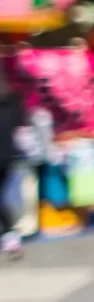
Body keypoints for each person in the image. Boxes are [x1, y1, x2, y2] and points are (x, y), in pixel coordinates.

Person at [0, 70, 26, 258]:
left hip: (6, 155)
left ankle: (9, 235)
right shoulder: (13, 102)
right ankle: (10, 236)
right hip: (9, 156)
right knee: (5, 198)